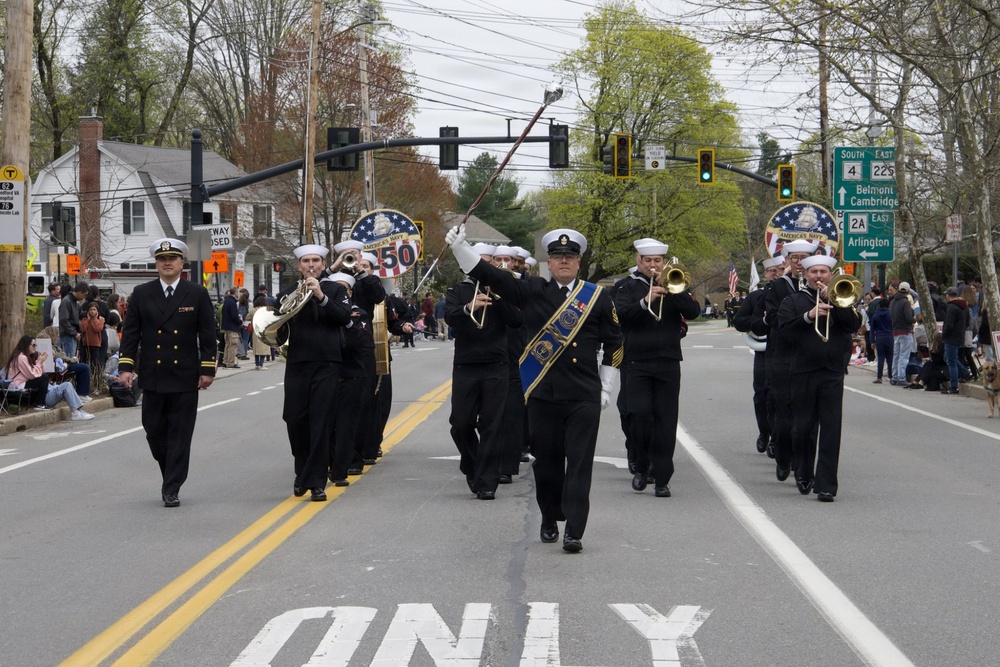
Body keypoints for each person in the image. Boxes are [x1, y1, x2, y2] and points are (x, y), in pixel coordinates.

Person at [447, 226, 623, 553]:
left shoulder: (598, 297)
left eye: (570, 256)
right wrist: (461, 247)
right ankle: (549, 516)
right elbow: (490, 275)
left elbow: (615, 343)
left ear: (579, 262)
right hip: (543, 394)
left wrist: (606, 386)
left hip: (584, 393)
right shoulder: (532, 290)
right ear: (549, 263)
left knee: (580, 463)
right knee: (548, 463)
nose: (564, 262)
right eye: (558, 257)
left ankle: (574, 528)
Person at [117, 239, 218, 507]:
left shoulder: (196, 292)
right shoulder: (142, 292)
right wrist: (126, 366)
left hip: (185, 375)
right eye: (162, 259)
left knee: (181, 434)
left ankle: (171, 487)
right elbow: (131, 334)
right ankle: (169, 474)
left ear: (182, 263)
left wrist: (208, 368)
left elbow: (208, 334)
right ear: (156, 264)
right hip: (153, 374)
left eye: (173, 258)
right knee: (154, 431)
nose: (167, 263)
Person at [614, 238, 700, 496]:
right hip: (636, 362)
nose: (653, 265)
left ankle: (662, 477)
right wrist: (645, 300)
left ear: (664, 262)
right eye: (648, 260)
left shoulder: (674, 285)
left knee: (665, 420)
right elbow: (621, 316)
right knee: (639, 417)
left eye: (658, 261)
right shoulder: (627, 287)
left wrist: (676, 290)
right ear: (638, 261)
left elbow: (694, 312)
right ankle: (641, 467)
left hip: (668, 362)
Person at [777, 254, 860, 502]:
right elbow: (783, 331)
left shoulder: (842, 300)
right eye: (814, 272)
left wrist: (836, 303)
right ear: (806, 274)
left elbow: (851, 326)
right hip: (802, 371)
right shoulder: (793, 301)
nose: (819, 276)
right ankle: (803, 471)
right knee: (803, 427)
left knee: (831, 429)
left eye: (824, 272)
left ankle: (826, 485)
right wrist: (809, 316)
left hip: (832, 372)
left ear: (830, 275)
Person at [445, 243, 522, 499]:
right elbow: (450, 318)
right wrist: (470, 307)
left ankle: (487, 482)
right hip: (466, 364)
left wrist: (499, 296)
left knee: (491, 424)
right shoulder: (459, 290)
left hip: (496, 365)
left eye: (488, 261)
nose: (486, 266)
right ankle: (473, 463)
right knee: (460, 423)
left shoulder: (505, 290)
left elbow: (516, 320)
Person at [277, 244, 353, 501]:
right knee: (295, 419)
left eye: (316, 261)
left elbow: (344, 317)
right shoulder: (287, 293)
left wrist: (321, 297)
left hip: (327, 363)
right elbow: (277, 330)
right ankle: (302, 472)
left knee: (321, 423)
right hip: (297, 363)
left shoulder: (334, 290)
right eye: (306, 261)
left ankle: (317, 481)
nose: (311, 265)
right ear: (299, 266)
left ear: (323, 264)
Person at [755, 238, 817, 469]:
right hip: (782, 355)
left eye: (804, 258)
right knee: (782, 409)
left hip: (809, 355)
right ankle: (783, 455)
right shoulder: (778, 286)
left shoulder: (818, 285)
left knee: (807, 414)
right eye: (795, 258)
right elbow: (770, 316)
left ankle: (803, 462)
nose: (800, 263)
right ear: (788, 260)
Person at [734, 255, 784, 453]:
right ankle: (765, 432)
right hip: (764, 351)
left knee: (780, 397)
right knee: (761, 395)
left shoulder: (792, 294)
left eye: (780, 270)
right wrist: (759, 323)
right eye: (772, 271)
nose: (776, 274)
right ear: (766, 274)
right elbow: (739, 322)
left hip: (786, 350)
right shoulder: (755, 297)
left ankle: (777, 438)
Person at [5, 335, 95, 420]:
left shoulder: (27, 357)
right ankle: (75, 412)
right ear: (26, 345)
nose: (35, 347)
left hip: (36, 391)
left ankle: (77, 411)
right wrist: (39, 362)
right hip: (24, 390)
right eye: (33, 345)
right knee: (54, 381)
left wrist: (42, 360)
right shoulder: (21, 358)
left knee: (67, 384)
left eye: (36, 345)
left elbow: (40, 372)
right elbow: (33, 374)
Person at [942, 286, 972, 394]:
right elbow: (968, 322)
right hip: (960, 335)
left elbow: (949, 324)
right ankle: (965, 373)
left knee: (951, 362)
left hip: (951, 337)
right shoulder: (965, 306)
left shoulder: (951, 307)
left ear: (948, 295)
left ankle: (953, 387)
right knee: (949, 357)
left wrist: (943, 335)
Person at [889, 281, 915, 386]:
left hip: (895, 331)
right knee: (903, 356)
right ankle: (901, 377)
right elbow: (908, 318)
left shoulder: (892, 302)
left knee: (896, 355)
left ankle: (894, 377)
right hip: (905, 331)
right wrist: (915, 319)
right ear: (908, 291)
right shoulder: (905, 302)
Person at [58, 282, 89, 357]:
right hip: (68, 335)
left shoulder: (74, 302)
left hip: (72, 334)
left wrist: (88, 314)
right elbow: (64, 320)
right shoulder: (67, 301)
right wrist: (74, 333)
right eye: (84, 295)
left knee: (72, 358)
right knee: (69, 359)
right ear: (79, 292)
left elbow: (80, 313)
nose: (84, 297)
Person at [870, 298, 894, 384]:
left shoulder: (875, 315)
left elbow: (872, 329)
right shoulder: (891, 314)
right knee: (890, 357)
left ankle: (879, 377)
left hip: (879, 337)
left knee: (880, 357)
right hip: (889, 336)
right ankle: (891, 376)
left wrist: (872, 341)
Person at [246, 296, 272, 369]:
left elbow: (247, 317)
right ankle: (261, 364)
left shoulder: (254, 310)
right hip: (264, 330)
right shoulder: (266, 310)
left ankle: (257, 364)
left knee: (256, 348)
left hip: (255, 330)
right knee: (264, 348)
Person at [220, 286, 243, 369]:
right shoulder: (232, 303)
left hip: (226, 326)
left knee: (227, 344)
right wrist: (239, 321)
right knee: (233, 345)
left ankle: (226, 361)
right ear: (235, 293)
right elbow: (234, 316)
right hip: (232, 327)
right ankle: (231, 362)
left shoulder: (226, 302)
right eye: (238, 292)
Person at [79, 302, 105, 367]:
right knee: (85, 360)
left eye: (94, 310)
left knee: (94, 362)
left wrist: (94, 319)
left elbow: (97, 329)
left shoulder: (100, 320)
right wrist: (88, 319)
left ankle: (94, 374)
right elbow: (83, 329)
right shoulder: (84, 319)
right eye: (91, 310)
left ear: (97, 311)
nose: (92, 311)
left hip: (95, 344)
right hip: (86, 344)